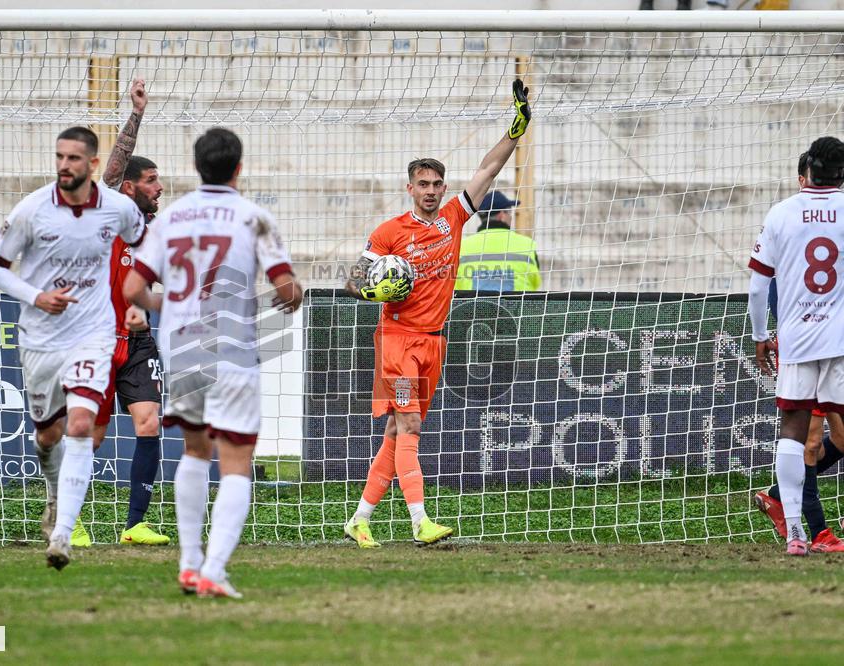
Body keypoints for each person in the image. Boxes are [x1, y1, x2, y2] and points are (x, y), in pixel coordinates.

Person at [342, 79, 531, 548]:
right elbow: (352, 279)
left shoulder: (453, 218)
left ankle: (359, 519)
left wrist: (516, 130)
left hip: (434, 341)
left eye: (436, 184)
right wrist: (373, 290)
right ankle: (420, 521)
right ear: (409, 187)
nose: (430, 191)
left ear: (443, 187)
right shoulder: (388, 233)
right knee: (410, 426)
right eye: (422, 184)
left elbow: (487, 170)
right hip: (397, 341)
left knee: (395, 431)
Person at [124, 127, 303, 599]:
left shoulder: (173, 217)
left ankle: (188, 564)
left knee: (195, 452)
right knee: (237, 460)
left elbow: (131, 289)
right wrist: (292, 295)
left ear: (197, 166)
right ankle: (215, 570)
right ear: (239, 169)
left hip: (182, 348)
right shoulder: (254, 218)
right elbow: (287, 290)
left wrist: (166, 305)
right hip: (234, 350)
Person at [0, 125, 145, 570]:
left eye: (74, 158)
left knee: (80, 425)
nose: (64, 165)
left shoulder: (117, 207)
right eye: (60, 156)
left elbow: (143, 248)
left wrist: (137, 299)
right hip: (39, 338)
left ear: (92, 164)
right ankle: (55, 494)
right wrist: (37, 297)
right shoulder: (32, 209)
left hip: (92, 333)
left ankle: (62, 537)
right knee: (47, 436)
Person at [62, 78, 169, 548]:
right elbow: (113, 170)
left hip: (138, 341)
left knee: (150, 422)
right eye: (151, 181)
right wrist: (137, 115)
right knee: (93, 435)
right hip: (97, 338)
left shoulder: (151, 229)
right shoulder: (107, 210)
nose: (159, 188)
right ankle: (69, 518)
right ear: (128, 188)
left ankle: (134, 525)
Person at [749, 136, 844, 556]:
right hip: (842, 338)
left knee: (792, 431)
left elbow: (757, 285)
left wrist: (759, 336)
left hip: (799, 337)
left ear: (806, 171)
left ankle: (795, 535)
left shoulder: (781, 213)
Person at [454, 190, 541, 292]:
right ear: (502, 215)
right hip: (518, 308)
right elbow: (535, 282)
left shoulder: (462, 246)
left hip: (471, 308)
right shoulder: (527, 245)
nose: (511, 216)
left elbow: (456, 285)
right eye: (509, 212)